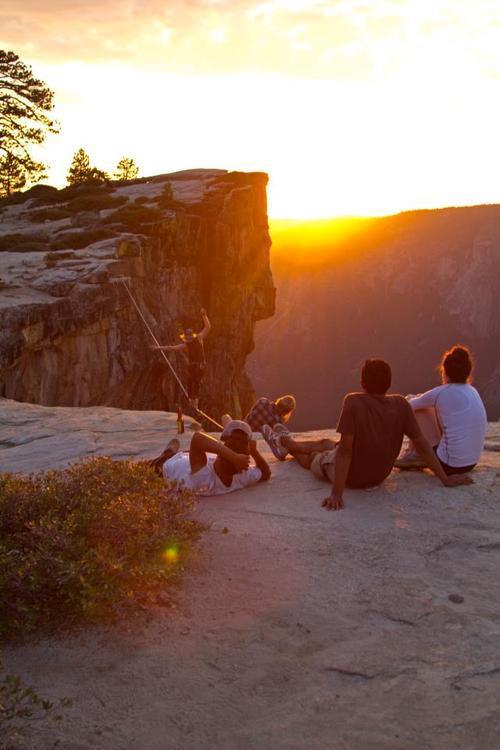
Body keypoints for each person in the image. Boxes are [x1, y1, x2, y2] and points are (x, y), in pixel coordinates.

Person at [262, 359, 473, 511]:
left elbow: (345, 451)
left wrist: (337, 493)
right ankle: (287, 442)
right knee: (327, 443)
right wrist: (444, 478)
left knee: (314, 459)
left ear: (363, 383)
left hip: (352, 477)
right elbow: (422, 443)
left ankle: (285, 445)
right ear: (389, 383)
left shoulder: (353, 402)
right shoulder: (400, 404)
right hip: (379, 474)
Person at [396, 345, 487, 474]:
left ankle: (415, 454)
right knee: (427, 404)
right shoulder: (473, 390)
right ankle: (415, 453)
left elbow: (406, 406)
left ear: (445, 371)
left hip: (448, 464)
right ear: (468, 371)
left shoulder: (441, 392)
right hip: (471, 463)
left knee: (415, 402)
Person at [149, 420, 270, 496]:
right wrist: (250, 453)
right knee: (182, 454)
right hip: (174, 463)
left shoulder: (204, 475)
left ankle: (168, 451)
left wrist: (239, 456)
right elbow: (265, 473)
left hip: (173, 464)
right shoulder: (242, 475)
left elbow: (197, 439)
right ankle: (170, 451)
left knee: (169, 455)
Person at [151, 308, 211, 411]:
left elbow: (207, 328)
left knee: (194, 382)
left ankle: (194, 404)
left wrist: (204, 316)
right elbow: (208, 328)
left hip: (197, 367)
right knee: (191, 382)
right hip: (196, 367)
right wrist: (204, 315)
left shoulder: (194, 340)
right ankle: (193, 402)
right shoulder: (194, 341)